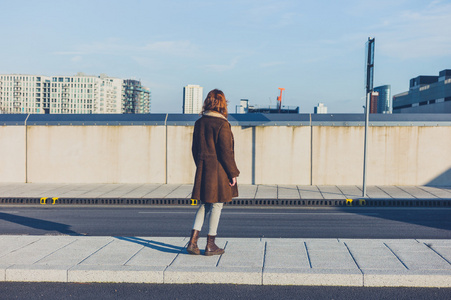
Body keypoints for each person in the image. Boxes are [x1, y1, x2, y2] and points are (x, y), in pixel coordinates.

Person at [186, 89, 240, 256]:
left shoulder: (199, 123)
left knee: (204, 204)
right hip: (218, 172)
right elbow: (226, 152)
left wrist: (201, 165)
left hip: (204, 170)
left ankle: (193, 242)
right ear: (223, 104)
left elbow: (194, 149)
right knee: (217, 204)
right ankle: (211, 244)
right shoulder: (222, 124)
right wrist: (233, 173)